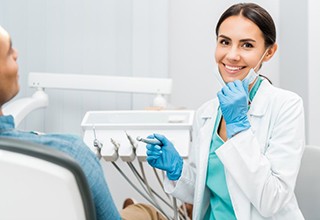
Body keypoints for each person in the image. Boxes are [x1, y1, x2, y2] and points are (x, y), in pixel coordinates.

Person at [146, 3, 305, 220]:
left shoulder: (286, 106)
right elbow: (202, 193)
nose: (231, 55)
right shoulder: (206, 113)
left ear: (269, 52)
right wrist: (177, 170)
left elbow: (272, 201)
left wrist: (238, 129)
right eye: (224, 42)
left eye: (247, 45)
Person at [0, 25, 167, 220]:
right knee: (148, 213)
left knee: (135, 210)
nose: (17, 53)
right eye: (9, 50)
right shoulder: (71, 154)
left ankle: (134, 208)